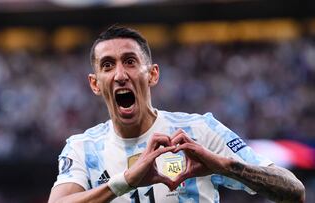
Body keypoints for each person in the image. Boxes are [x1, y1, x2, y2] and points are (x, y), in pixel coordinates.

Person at [48, 25, 305, 203]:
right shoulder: (83, 148)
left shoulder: (199, 131)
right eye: (108, 65)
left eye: (130, 61)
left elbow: (294, 190)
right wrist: (125, 181)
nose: (120, 75)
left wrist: (222, 165)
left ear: (152, 74)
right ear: (95, 84)